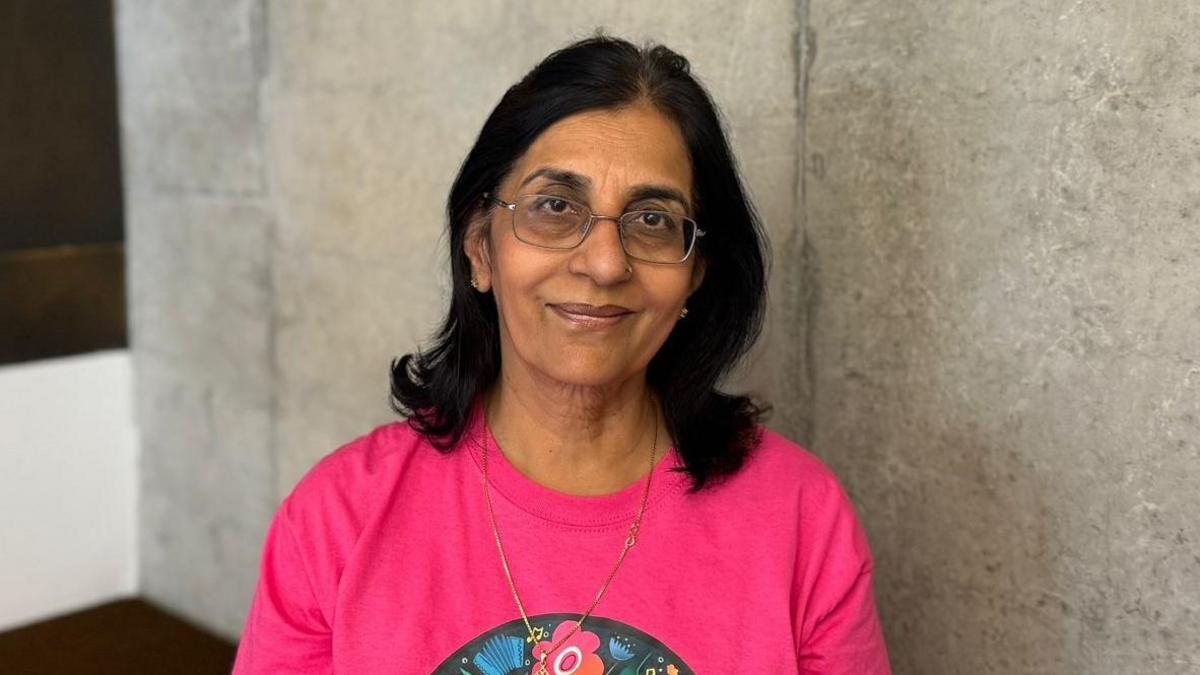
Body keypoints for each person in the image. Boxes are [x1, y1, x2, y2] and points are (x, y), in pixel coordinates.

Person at [232, 35, 890, 674]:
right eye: (555, 206)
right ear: (481, 248)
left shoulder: (801, 518)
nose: (604, 263)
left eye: (654, 220)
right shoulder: (335, 522)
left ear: (696, 273)